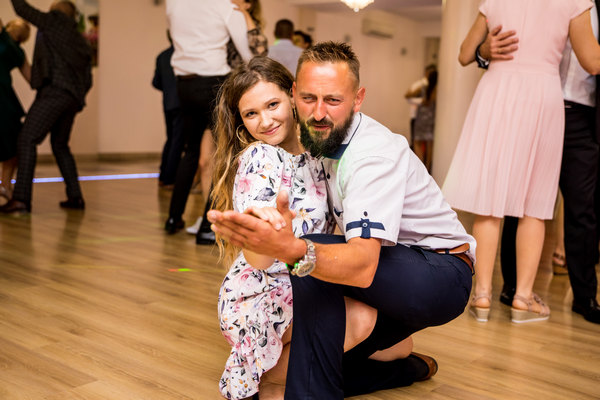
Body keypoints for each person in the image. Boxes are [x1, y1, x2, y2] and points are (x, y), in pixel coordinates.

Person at [208, 41, 475, 399]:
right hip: (272, 287)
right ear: (296, 94)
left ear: (357, 99)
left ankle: (290, 387)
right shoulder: (271, 156)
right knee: (386, 339)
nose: (319, 112)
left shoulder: (357, 153)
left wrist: (293, 247)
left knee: (321, 265)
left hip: (438, 270)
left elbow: (359, 264)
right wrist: (266, 236)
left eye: (332, 99)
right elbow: (266, 248)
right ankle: (296, 386)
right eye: (309, 98)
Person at [443, 0, 600, 323]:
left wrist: (484, 49)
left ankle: (482, 296)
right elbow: (592, 61)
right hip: (542, 93)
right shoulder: (574, 1)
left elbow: (464, 54)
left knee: (489, 204)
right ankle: (523, 298)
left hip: (496, 91)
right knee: (534, 205)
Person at [163, 0, 253, 234]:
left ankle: (173, 218)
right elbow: (247, 51)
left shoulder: (173, 3)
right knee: (222, 152)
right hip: (214, 83)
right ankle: (207, 225)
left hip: (184, 83)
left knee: (191, 151)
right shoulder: (224, 4)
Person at [186, 0, 270, 242]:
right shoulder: (221, 19)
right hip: (218, 94)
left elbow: (259, 51)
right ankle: (211, 218)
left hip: (240, 97)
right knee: (205, 161)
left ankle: (231, 218)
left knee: (232, 162)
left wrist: (245, 16)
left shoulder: (247, 22)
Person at [1, 0, 92, 215]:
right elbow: (88, 79)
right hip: (72, 99)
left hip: (54, 92)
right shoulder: (80, 40)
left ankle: (21, 199)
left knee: (26, 139)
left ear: (57, 12)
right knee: (60, 145)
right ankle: (75, 196)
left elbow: (22, 9)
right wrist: (77, 97)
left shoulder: (53, 22)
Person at [0, 18, 31, 206]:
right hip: (4, 99)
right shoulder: (3, 37)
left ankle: (5, 185)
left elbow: (31, 78)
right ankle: (5, 185)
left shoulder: (18, 51)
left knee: (13, 145)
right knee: (11, 143)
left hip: (5, 100)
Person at [152, 31, 183, 189]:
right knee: (178, 142)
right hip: (182, 103)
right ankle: (170, 178)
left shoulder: (162, 56)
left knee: (170, 139)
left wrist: (168, 90)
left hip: (167, 103)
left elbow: (155, 82)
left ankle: (163, 176)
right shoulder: (183, 55)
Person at [405, 66, 437, 172]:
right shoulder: (437, 90)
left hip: (421, 119)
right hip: (431, 120)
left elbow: (408, 95)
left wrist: (419, 101)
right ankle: (428, 168)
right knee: (430, 144)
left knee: (417, 142)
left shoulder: (423, 87)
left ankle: (421, 168)